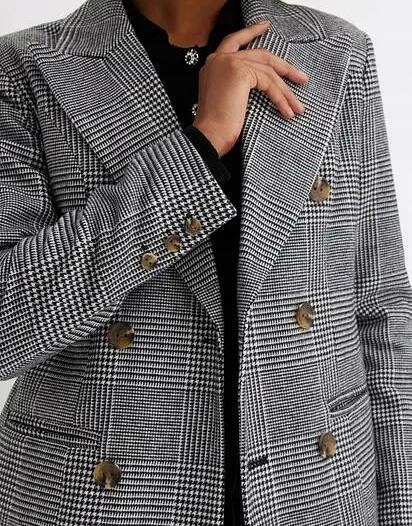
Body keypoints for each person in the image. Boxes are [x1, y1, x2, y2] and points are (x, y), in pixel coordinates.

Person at [0, 0, 410, 525]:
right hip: (102, 495)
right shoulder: (25, 65)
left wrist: (402, 507)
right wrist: (203, 143)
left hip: (317, 488)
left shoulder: (337, 52)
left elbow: (381, 309)